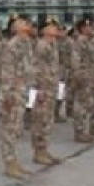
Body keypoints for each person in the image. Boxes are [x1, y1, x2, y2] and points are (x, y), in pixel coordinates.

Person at [0, 15, 33, 178]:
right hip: (13, 93)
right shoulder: (12, 45)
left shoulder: (26, 43)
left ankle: (14, 160)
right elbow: (7, 72)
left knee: (17, 128)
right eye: (23, 22)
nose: (27, 24)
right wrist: (7, 95)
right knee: (10, 129)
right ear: (14, 27)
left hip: (22, 91)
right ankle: (9, 162)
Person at [31, 18, 62, 165]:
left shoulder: (52, 45)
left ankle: (44, 150)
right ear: (44, 30)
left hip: (51, 88)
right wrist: (39, 89)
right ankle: (38, 152)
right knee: (40, 121)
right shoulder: (41, 46)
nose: (55, 28)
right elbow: (36, 68)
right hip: (43, 89)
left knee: (48, 121)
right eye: (50, 26)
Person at [71, 18, 94, 142]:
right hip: (83, 78)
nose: (91, 29)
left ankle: (83, 130)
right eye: (89, 27)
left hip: (89, 77)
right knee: (81, 104)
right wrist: (78, 77)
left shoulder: (88, 42)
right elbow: (76, 60)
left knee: (87, 104)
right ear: (83, 29)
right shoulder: (80, 41)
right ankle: (79, 131)